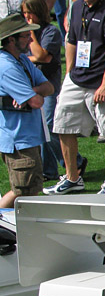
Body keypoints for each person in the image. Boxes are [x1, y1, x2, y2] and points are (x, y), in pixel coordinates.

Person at [46, 0, 105, 197]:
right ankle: (72, 178)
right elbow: (71, 40)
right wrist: (69, 72)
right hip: (77, 79)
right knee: (62, 125)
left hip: (102, 81)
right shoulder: (77, 6)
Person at [0, 13, 53, 207]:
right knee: (23, 194)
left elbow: (49, 88)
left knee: (27, 191)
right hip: (19, 140)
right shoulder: (7, 67)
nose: (30, 39)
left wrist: (33, 90)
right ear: (11, 40)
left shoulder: (21, 61)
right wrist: (35, 94)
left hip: (26, 138)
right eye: (25, 36)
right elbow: (37, 102)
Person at [20, 0, 64, 180]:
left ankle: (73, 161)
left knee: (49, 126)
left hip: (49, 86)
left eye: (30, 14)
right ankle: (49, 170)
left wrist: (30, 34)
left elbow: (40, 56)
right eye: (24, 15)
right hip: (31, 86)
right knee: (41, 129)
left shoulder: (50, 32)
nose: (27, 19)